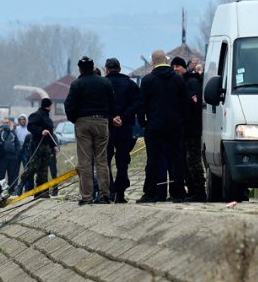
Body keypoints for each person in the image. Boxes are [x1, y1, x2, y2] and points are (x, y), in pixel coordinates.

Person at [137, 49, 187, 204]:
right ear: (166, 60)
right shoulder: (178, 80)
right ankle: (178, 193)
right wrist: (181, 122)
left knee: (153, 160)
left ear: (153, 62)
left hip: (154, 126)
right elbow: (185, 104)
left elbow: (141, 105)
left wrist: (143, 123)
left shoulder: (147, 80)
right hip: (175, 126)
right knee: (176, 160)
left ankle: (151, 193)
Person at [64, 56, 115, 205]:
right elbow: (112, 102)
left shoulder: (77, 84)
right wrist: (107, 116)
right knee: (101, 159)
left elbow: (69, 105)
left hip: (83, 122)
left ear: (80, 69)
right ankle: (104, 195)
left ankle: (87, 197)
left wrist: (75, 119)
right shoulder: (105, 82)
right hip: (101, 122)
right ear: (93, 67)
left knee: (84, 161)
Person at [104, 57, 141, 203]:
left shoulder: (103, 84)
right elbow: (138, 103)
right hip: (125, 128)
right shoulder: (130, 85)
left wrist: (111, 118)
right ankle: (120, 193)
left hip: (106, 128)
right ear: (119, 69)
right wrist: (123, 118)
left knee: (105, 161)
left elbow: (100, 105)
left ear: (106, 69)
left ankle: (110, 190)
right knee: (122, 161)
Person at [171, 56, 206, 202]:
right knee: (186, 161)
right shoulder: (182, 81)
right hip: (185, 128)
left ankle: (199, 190)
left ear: (183, 67)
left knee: (192, 160)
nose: (175, 70)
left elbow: (193, 103)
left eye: (177, 67)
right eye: (173, 67)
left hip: (192, 128)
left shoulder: (191, 82)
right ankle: (191, 189)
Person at [17, 98, 58, 198]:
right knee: (33, 167)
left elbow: (50, 134)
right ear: (48, 106)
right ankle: (21, 184)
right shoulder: (37, 114)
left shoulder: (47, 117)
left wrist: (54, 146)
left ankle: (42, 192)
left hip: (46, 147)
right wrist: (41, 131)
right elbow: (30, 126)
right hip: (37, 145)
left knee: (43, 170)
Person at [0, 119, 20, 187]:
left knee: (12, 175)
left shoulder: (13, 132)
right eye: (4, 123)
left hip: (12, 157)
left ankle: (11, 189)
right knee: (1, 175)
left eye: (7, 123)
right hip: (2, 157)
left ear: (10, 124)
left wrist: (16, 154)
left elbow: (17, 144)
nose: (6, 124)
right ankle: (0, 190)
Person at [14, 114, 33, 191]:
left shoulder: (28, 129)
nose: (22, 121)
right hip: (18, 151)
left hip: (26, 151)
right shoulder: (16, 129)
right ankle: (16, 189)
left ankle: (27, 188)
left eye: (24, 119)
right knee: (15, 171)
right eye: (21, 119)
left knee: (26, 170)